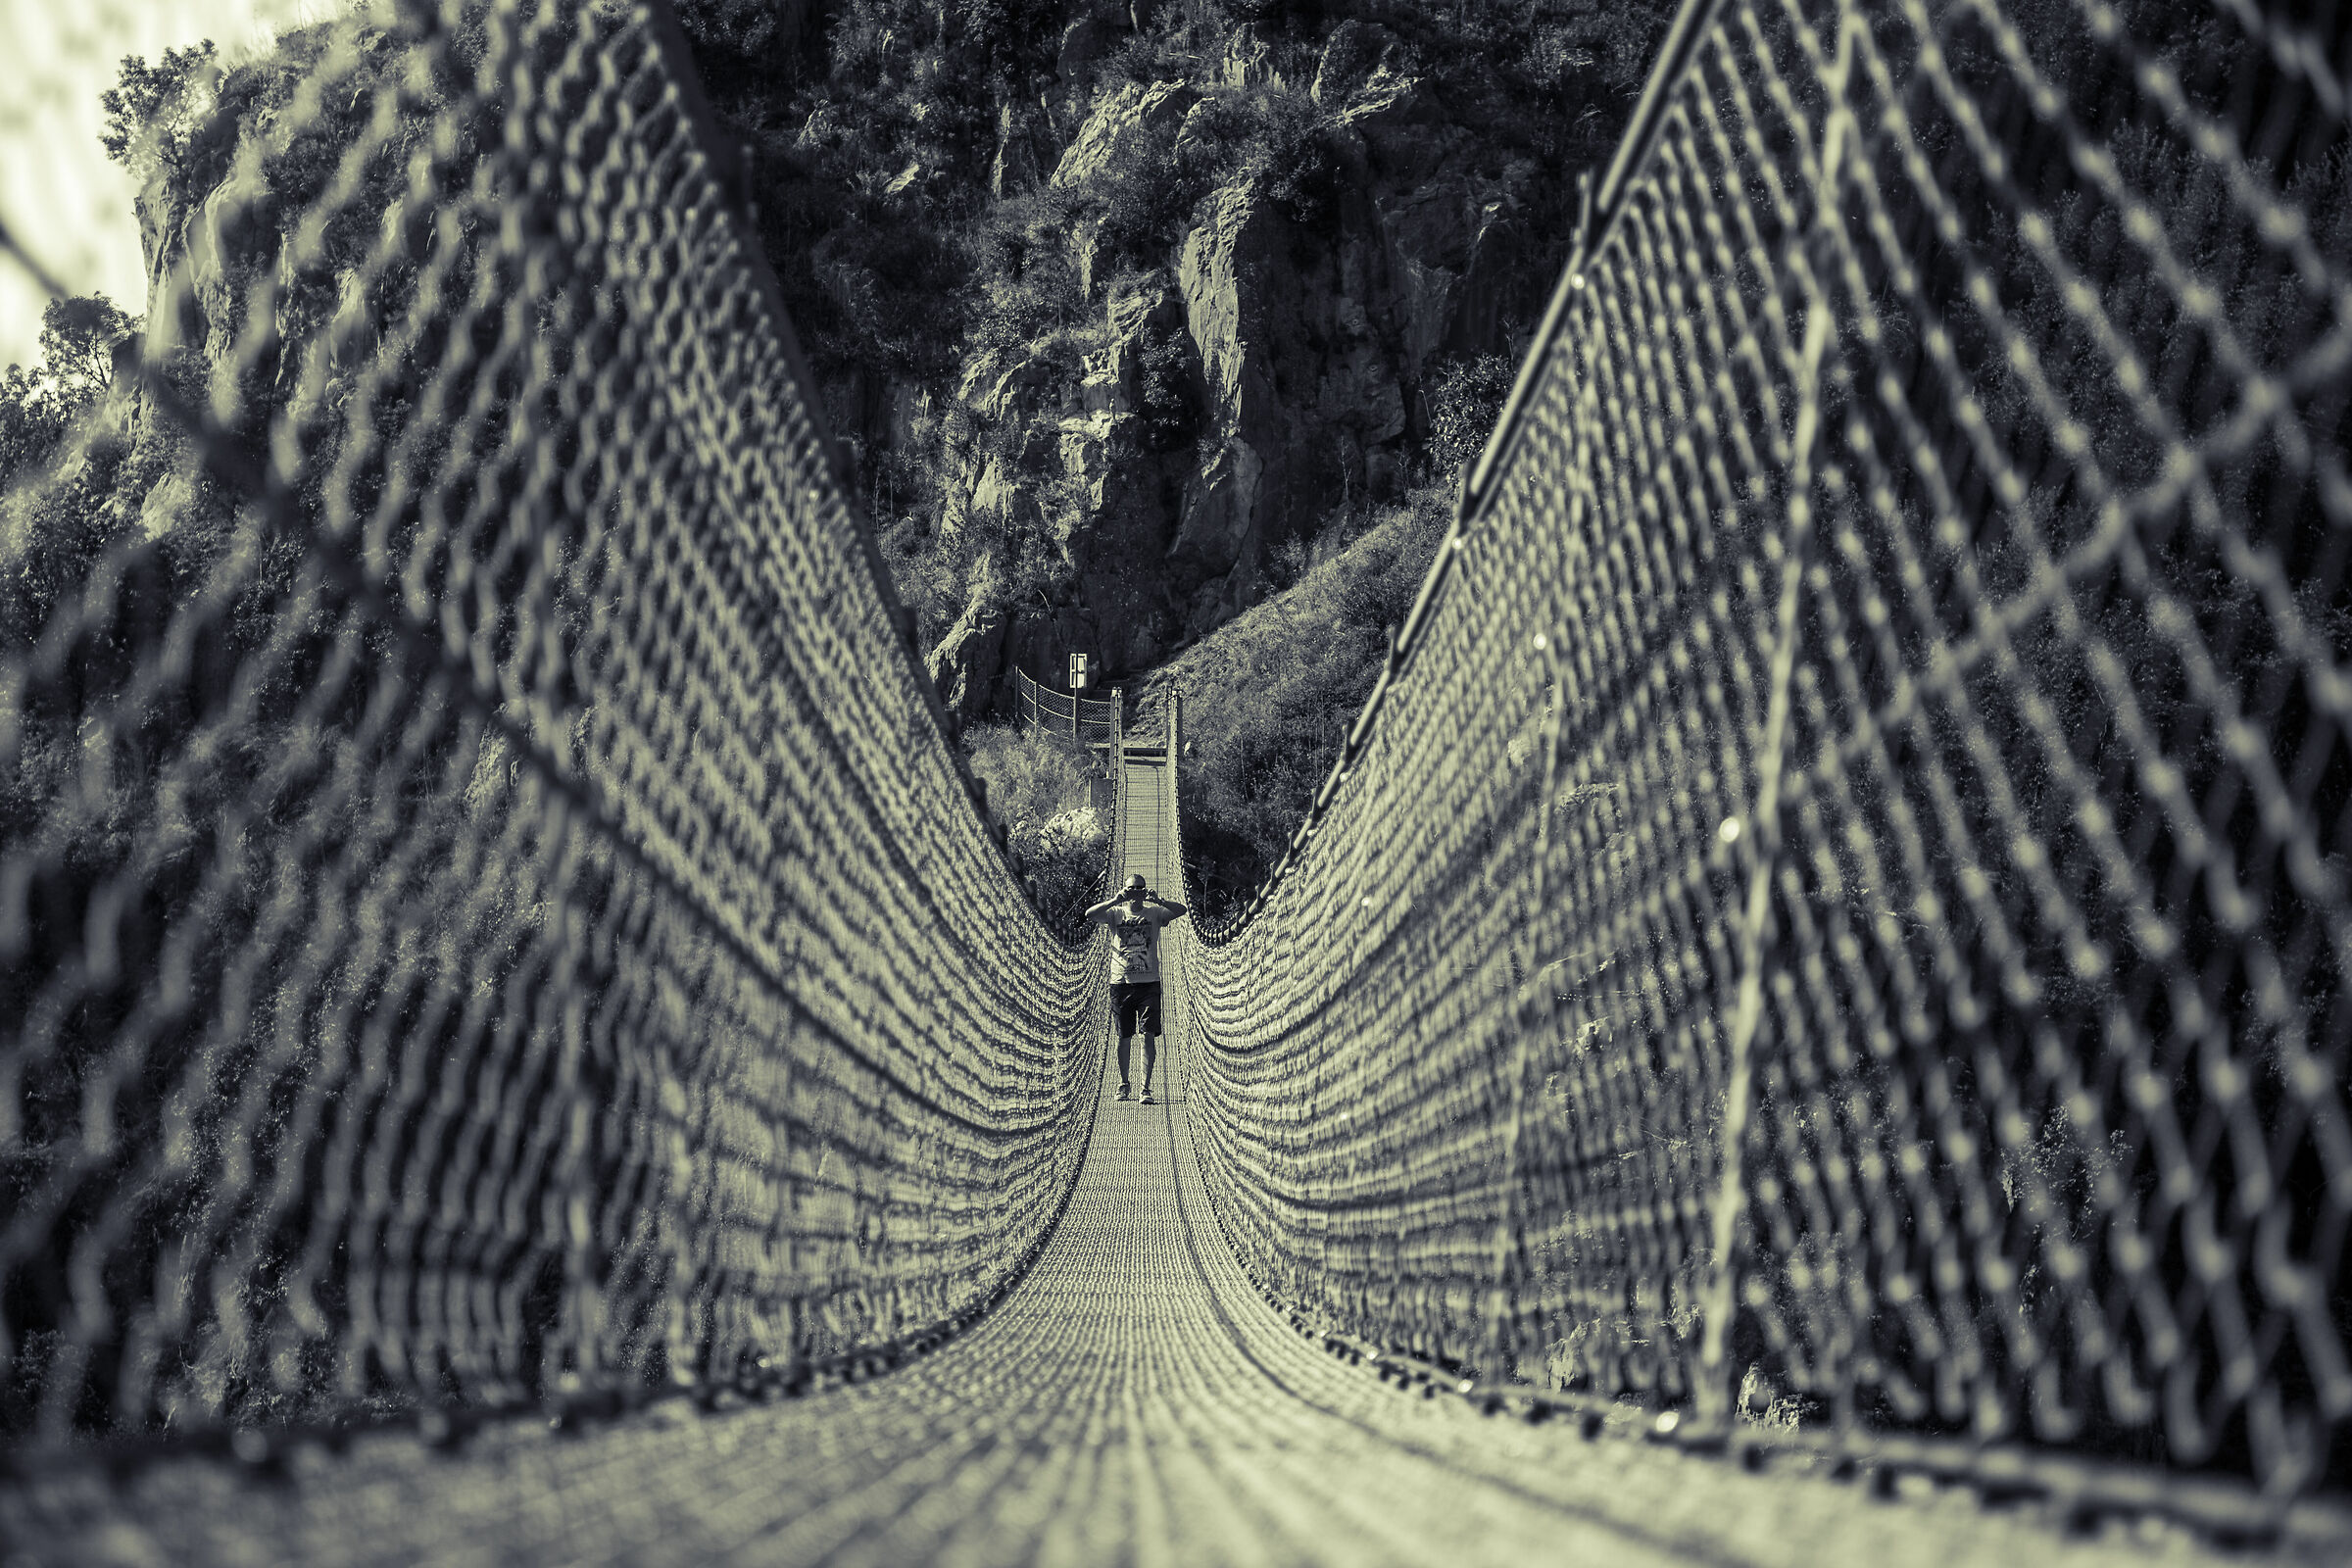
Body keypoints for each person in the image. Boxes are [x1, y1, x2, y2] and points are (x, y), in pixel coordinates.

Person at [1085, 873, 1187, 1103]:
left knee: (1148, 1035)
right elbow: (1089, 915)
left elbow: (1181, 910)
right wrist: (1114, 900)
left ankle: (1145, 1088)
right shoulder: (1115, 914)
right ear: (1125, 890)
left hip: (1150, 983)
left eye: (1140, 888)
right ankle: (1123, 1084)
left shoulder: (1155, 913)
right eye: (1131, 888)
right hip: (1120, 983)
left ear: (1145, 890)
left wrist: (1159, 901)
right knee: (1124, 1036)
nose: (1136, 892)